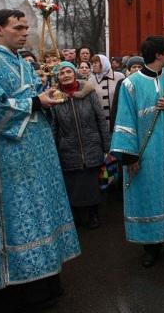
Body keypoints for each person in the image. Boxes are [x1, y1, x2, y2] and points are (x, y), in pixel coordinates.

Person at [0, 10, 80, 312]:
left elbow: (36, 97)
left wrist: (47, 95)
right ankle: (18, 290)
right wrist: (36, 101)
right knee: (15, 216)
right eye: (18, 27)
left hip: (35, 156)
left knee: (38, 214)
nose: (25, 32)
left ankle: (44, 282)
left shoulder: (21, 62)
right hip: (8, 159)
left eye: (27, 27)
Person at [111, 36, 164, 267]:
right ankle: (151, 247)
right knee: (150, 195)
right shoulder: (131, 84)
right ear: (158, 54)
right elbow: (124, 119)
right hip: (146, 153)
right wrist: (129, 157)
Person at [51, 61, 110, 230]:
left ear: (75, 73)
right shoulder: (55, 96)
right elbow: (54, 125)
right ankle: (76, 216)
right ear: (58, 77)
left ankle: (93, 214)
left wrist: (106, 147)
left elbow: (100, 119)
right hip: (68, 149)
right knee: (73, 185)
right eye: (62, 73)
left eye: (68, 71)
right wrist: (55, 150)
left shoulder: (89, 92)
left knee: (92, 184)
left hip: (92, 145)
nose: (66, 75)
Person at [89, 53, 125, 130]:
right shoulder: (91, 80)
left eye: (96, 63)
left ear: (104, 63)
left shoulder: (120, 76)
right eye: (92, 63)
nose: (93, 65)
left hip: (118, 121)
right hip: (100, 123)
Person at [110, 56, 145, 132]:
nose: (137, 69)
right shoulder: (122, 82)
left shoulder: (147, 83)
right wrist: (113, 124)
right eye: (134, 67)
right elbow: (116, 103)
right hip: (126, 119)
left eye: (139, 67)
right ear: (129, 69)